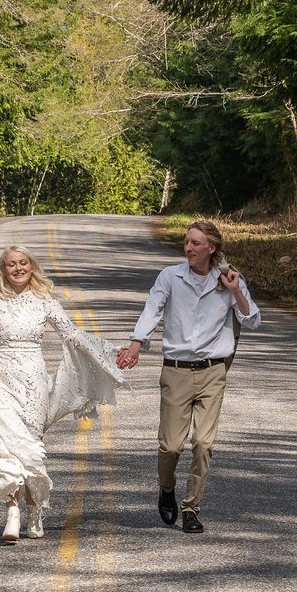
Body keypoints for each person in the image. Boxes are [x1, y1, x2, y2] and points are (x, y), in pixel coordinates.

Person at [0, 245, 125, 543]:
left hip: (32, 383)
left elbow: (71, 334)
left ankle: (35, 511)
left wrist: (109, 355)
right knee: (4, 444)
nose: (18, 268)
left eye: (23, 263)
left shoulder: (45, 301)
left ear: (32, 267)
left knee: (28, 445)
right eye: (11, 264)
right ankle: (12, 513)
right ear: (3, 270)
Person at [116, 221, 260, 534]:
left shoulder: (229, 280)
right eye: (187, 242)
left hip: (212, 372)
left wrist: (236, 291)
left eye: (196, 243)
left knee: (204, 444)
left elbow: (252, 321)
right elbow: (152, 310)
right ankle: (166, 489)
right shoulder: (170, 276)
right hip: (176, 371)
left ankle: (191, 508)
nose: (189, 248)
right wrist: (136, 345)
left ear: (212, 248)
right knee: (170, 446)